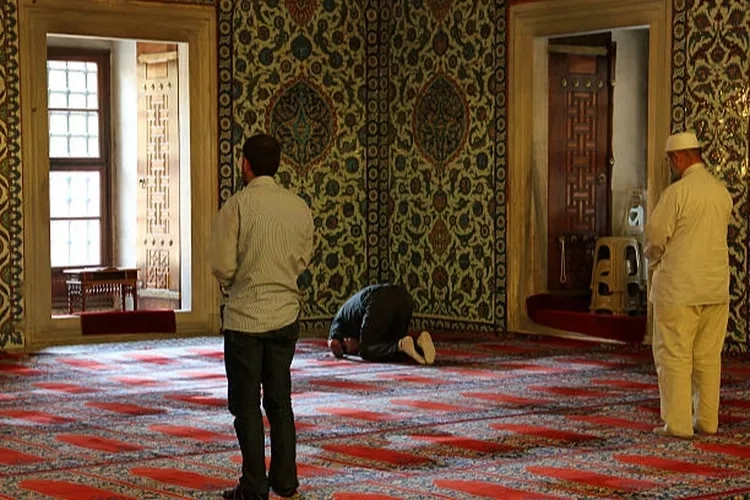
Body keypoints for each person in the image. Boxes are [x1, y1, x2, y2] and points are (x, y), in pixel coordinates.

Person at [209, 133, 314, 500]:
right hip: (284, 316)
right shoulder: (298, 207)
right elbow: (302, 259)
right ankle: (285, 482)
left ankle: (254, 486)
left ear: (245, 164)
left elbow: (222, 265)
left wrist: (239, 283)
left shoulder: (238, 206)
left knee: (246, 406)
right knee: (280, 401)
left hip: (245, 320)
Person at [645, 131, 733, 440]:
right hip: (715, 288)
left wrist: (653, 258)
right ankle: (707, 421)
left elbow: (655, 238)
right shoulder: (721, 192)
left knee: (674, 355)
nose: (671, 166)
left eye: (671, 160)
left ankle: (678, 425)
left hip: (679, 290)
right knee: (708, 357)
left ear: (679, 157)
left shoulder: (677, 193)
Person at [328, 284, 436, 365]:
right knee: (390, 346)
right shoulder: (350, 316)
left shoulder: (339, 321)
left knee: (365, 351)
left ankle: (401, 345)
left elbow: (333, 343)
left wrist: (343, 350)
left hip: (377, 301)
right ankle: (419, 342)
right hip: (404, 297)